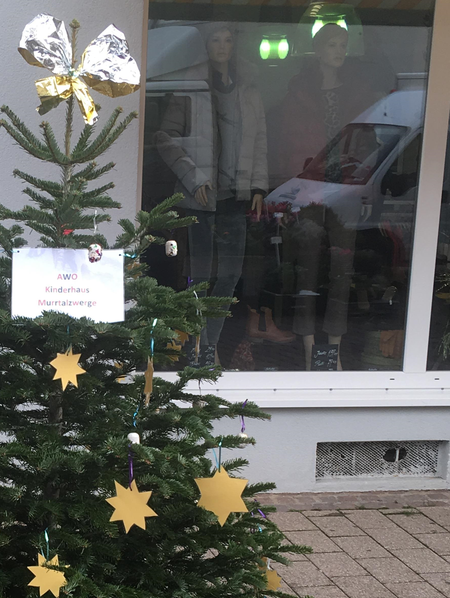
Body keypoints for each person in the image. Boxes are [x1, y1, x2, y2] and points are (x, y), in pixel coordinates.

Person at [156, 23, 282, 362]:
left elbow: (259, 140)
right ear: (206, 44)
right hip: (200, 198)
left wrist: (258, 185)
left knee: (230, 275)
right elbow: (165, 137)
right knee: (199, 276)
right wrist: (194, 178)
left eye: (228, 39)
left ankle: (207, 346)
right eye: (215, 39)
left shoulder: (249, 87)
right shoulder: (190, 85)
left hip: (236, 196)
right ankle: (195, 345)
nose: (222, 46)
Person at [272, 23, 376, 369]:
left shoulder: (357, 93)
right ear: (318, 51)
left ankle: (334, 349)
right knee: (308, 268)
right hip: (310, 191)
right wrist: (300, 184)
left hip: (345, 191)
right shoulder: (300, 92)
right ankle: (308, 347)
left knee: (342, 269)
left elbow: (366, 143)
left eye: (343, 45)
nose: (339, 51)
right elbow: (289, 143)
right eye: (332, 45)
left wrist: (359, 178)